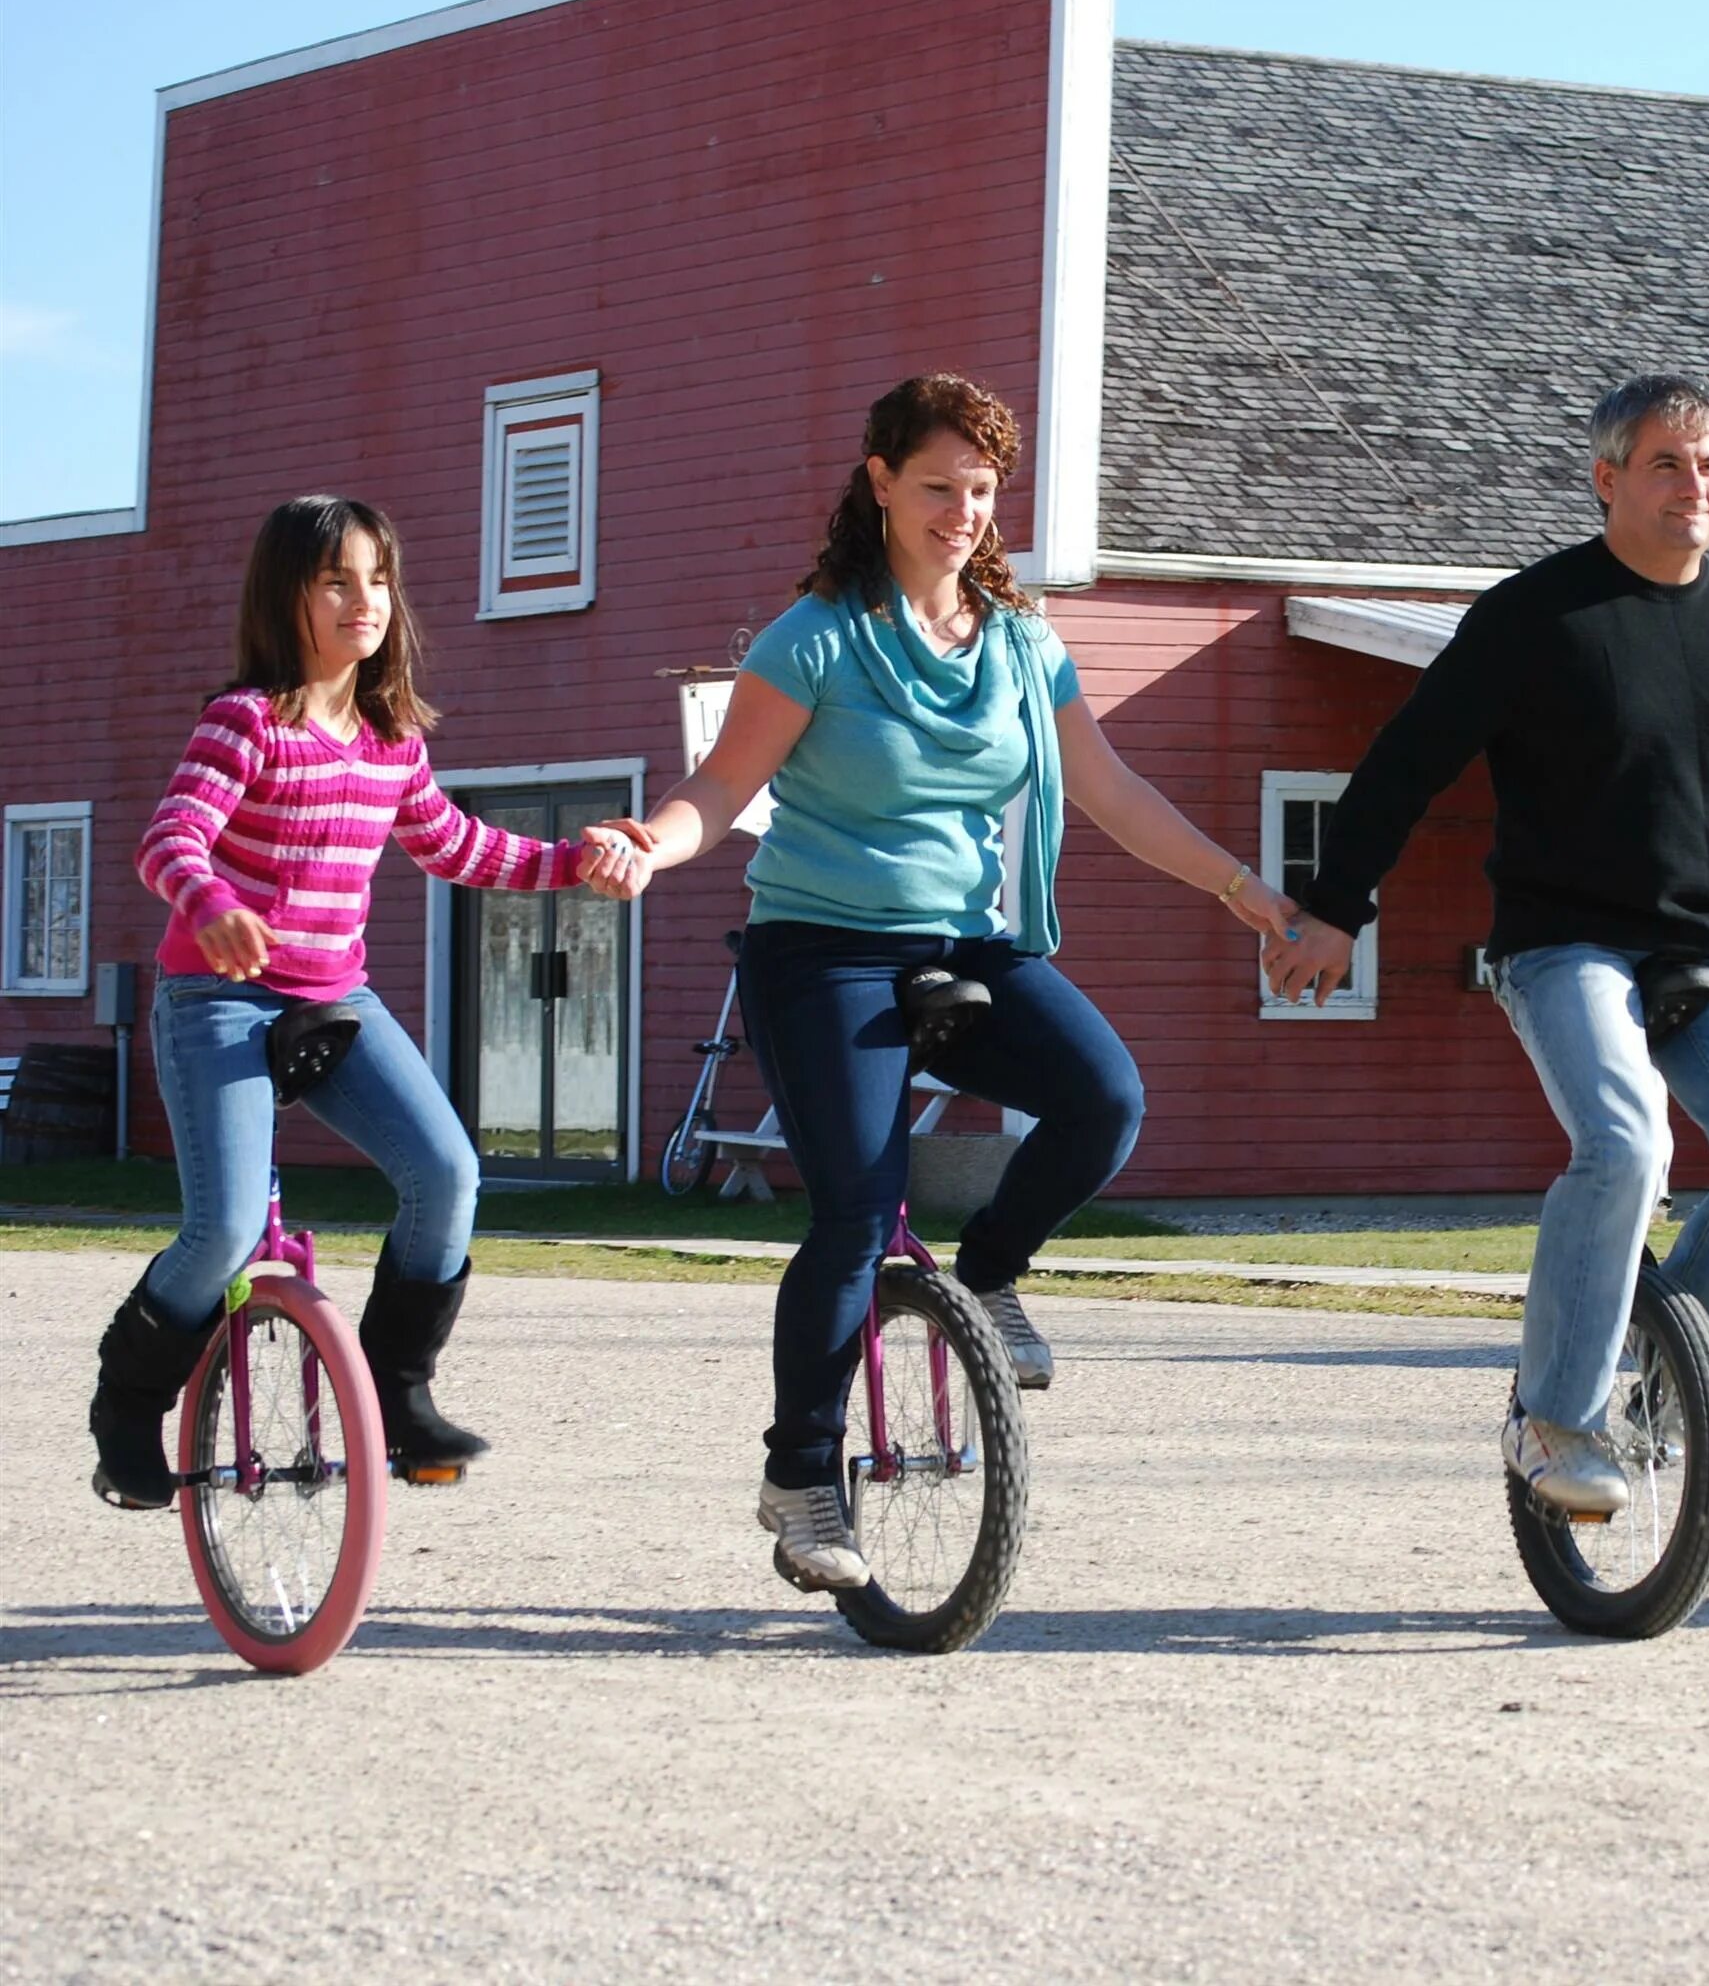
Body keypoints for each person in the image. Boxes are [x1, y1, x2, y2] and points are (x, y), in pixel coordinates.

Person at [621, 372, 1294, 1593]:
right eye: (939, 488)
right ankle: (803, 1476)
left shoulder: (1027, 646)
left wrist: (1244, 889)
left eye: (983, 491)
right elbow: (722, 789)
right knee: (854, 1206)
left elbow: (1114, 795)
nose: (964, 513)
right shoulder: (815, 635)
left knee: (1103, 1098)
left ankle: (984, 1277)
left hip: (967, 943)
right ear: (879, 482)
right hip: (821, 947)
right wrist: (649, 844)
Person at [1267, 373, 1709, 1516]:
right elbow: (1405, 763)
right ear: (1607, 480)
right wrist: (1336, 904)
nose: (1698, 487)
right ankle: (1555, 1416)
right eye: (1669, 464)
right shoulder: (1536, 617)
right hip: (1564, 943)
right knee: (1627, 1144)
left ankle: (1661, 1386)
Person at [88, 496, 646, 1509]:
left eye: (378, 578)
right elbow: (169, 837)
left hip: (332, 1000)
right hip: (217, 1000)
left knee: (449, 1172)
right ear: (286, 595)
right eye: (337, 579)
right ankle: (126, 1408)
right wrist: (208, 901)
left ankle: (394, 1388)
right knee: (219, 1233)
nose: (365, 599)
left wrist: (577, 860)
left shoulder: (391, 740)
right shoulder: (245, 721)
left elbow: (458, 847)